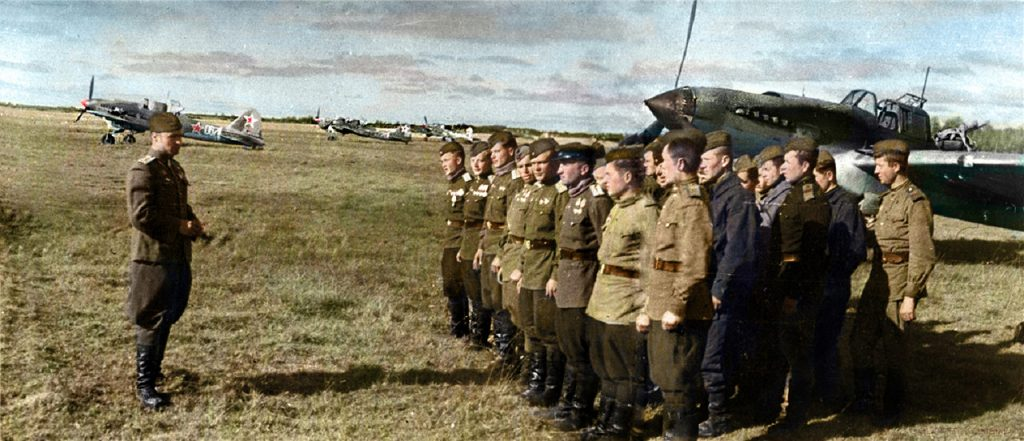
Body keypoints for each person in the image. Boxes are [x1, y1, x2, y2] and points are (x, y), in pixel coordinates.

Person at [849, 139, 935, 427]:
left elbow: (922, 253)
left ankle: (893, 409)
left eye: (880, 165)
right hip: (878, 281)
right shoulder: (886, 199)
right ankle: (863, 399)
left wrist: (911, 295)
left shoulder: (915, 201)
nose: (875, 171)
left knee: (894, 347)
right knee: (860, 340)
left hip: (898, 285)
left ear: (896, 166)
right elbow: (885, 240)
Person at [125, 112, 204, 410]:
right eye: (174, 138)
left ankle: (154, 372)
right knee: (150, 318)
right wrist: (180, 227)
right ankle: (145, 386)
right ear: (155, 138)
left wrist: (192, 222)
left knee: (169, 314)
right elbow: (141, 215)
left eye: (181, 137)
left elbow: (181, 205)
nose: (180, 143)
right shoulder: (143, 171)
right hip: (153, 259)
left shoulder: (173, 169)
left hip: (176, 256)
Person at [637, 137, 714, 440]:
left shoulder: (692, 203)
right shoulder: (674, 198)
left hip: (679, 308)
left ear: (680, 164)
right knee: (667, 378)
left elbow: (695, 261)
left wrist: (678, 306)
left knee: (678, 380)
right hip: (662, 300)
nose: (659, 168)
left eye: (664, 162)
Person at [581, 146, 659, 440]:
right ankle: (605, 422)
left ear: (628, 176)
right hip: (604, 298)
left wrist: (646, 308)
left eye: (610, 175)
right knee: (604, 366)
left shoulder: (645, 211)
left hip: (628, 301)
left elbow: (653, 264)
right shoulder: (618, 207)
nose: (605, 181)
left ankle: (619, 428)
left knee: (623, 369)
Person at [543, 142, 613, 431]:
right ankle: (569, 403)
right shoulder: (572, 197)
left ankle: (580, 411)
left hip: (584, 284)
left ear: (584, 168)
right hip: (568, 280)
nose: (558, 169)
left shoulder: (595, 199)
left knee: (580, 352)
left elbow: (605, 246)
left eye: (565, 164)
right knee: (569, 347)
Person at [763, 137, 831, 433]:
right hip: (785, 283)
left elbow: (811, 256)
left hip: (799, 290)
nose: (782, 169)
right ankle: (776, 409)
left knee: (798, 354)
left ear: (805, 165)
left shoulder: (811, 201)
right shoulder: (793, 195)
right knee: (783, 348)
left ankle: (795, 418)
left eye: (788, 164)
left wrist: (792, 293)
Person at [694, 131, 759, 438]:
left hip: (726, 290)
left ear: (724, 161)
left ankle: (719, 415)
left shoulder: (739, 197)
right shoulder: (717, 191)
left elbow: (738, 250)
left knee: (714, 354)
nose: (700, 166)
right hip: (714, 286)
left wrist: (719, 289)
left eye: (705, 160)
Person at [511, 138, 570, 407]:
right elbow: (527, 237)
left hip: (546, 268)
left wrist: (556, 274)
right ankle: (535, 381)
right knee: (531, 327)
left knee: (548, 332)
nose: (535, 168)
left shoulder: (560, 194)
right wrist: (521, 269)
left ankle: (550, 387)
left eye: (542, 162)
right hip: (531, 268)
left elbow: (561, 239)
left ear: (556, 163)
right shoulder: (535, 192)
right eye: (533, 163)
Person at [812, 149, 867, 409]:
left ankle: (833, 397)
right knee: (816, 340)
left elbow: (855, 250)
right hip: (818, 284)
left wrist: (832, 273)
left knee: (827, 341)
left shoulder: (844, 204)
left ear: (829, 175)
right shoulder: (821, 201)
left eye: (815, 177)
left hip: (832, 286)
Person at [477, 131, 522, 371]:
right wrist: (481, 246)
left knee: (503, 302)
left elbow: (512, 222)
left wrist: (502, 254)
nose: (492, 157)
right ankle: (501, 349)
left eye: (496, 152)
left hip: (503, 246)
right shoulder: (498, 179)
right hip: (490, 244)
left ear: (511, 150)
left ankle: (507, 357)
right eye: (491, 153)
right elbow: (488, 217)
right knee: (492, 299)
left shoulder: (515, 180)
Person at [497, 145, 535, 383]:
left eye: (529, 165)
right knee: (510, 309)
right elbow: (508, 227)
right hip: (511, 253)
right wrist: (502, 255)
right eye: (521, 166)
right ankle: (513, 358)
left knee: (525, 316)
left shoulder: (542, 193)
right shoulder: (521, 191)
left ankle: (528, 365)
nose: (525, 170)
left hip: (526, 257)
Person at [460, 141, 493, 349]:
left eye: (481, 160)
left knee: (481, 292)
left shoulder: (491, 184)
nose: (477, 165)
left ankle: (479, 337)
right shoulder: (471, 184)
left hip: (481, 240)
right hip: (468, 240)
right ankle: (474, 332)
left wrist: (481, 244)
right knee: (471, 290)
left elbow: (488, 218)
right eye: (473, 161)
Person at [439, 142, 471, 339]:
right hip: (450, 238)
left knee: (457, 284)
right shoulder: (453, 182)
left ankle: (461, 328)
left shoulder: (467, 182)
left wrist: (464, 245)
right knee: (450, 284)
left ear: (458, 160)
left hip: (460, 240)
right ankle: (457, 324)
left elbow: (471, 218)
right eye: (441, 161)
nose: (443, 164)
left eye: (446, 160)